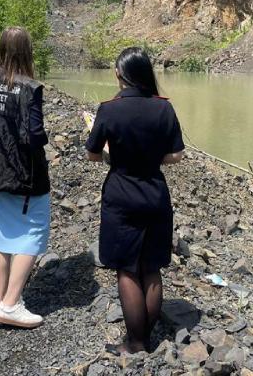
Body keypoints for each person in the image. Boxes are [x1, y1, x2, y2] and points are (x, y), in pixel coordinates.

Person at [85, 47, 185, 354]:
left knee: (127, 269)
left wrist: (111, 150)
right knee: (151, 267)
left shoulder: (109, 109)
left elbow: (92, 154)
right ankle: (147, 339)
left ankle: (136, 343)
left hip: (121, 194)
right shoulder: (163, 108)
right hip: (155, 193)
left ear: (120, 75)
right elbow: (176, 155)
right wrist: (150, 157)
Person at [0, 27, 50, 329]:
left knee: (5, 233)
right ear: (27, 52)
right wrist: (44, 138)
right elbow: (34, 136)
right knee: (33, 233)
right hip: (25, 175)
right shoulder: (29, 88)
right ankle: (11, 304)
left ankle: (1, 298)